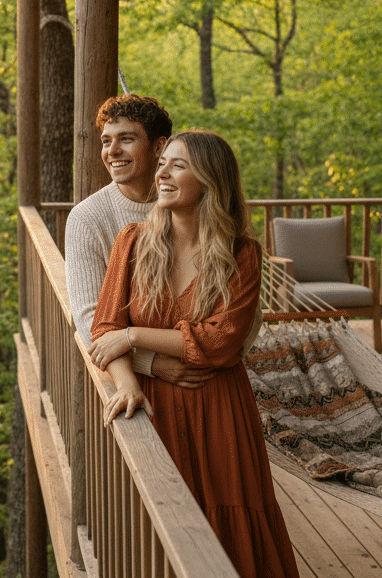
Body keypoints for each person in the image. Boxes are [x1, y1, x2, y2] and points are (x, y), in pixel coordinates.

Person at [88, 130, 300, 578]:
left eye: (178, 165)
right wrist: (127, 386)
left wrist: (133, 335)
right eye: (162, 163)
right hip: (154, 407)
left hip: (219, 412)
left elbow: (221, 341)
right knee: (160, 530)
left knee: (231, 525)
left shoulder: (242, 253)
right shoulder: (132, 242)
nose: (161, 173)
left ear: (209, 180)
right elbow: (104, 329)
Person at [65, 94, 215, 389]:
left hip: (205, 365)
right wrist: (152, 363)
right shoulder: (86, 218)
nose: (112, 151)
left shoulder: (191, 202)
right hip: (131, 376)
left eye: (126, 139)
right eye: (106, 141)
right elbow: (89, 319)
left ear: (159, 146)